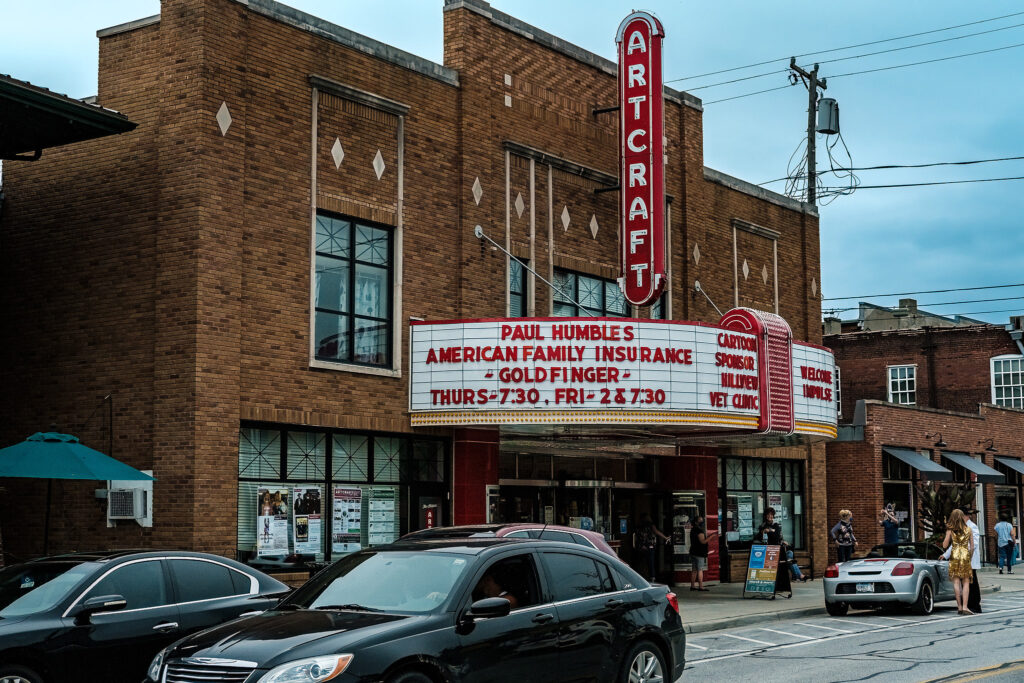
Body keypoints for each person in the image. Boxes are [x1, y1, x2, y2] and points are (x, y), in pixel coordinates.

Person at [942, 509, 975, 615]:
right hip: (965, 554)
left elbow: (944, 545)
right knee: (966, 582)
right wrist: (969, 556)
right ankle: (965, 607)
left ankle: (959, 607)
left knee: (956, 582)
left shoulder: (950, 530)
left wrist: (948, 534)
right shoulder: (969, 529)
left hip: (955, 554)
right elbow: (972, 547)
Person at [633, 514, 670, 581]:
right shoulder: (650, 525)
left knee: (639, 562)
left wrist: (640, 545)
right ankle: (652, 576)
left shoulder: (639, 525)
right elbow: (656, 532)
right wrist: (665, 537)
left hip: (641, 546)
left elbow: (637, 536)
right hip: (649, 545)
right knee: (651, 562)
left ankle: (636, 575)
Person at [689, 514, 717, 592]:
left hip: (693, 551)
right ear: (696, 522)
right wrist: (712, 536)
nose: (702, 522)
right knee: (700, 569)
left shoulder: (693, 530)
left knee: (694, 569)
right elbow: (703, 541)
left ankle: (692, 586)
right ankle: (701, 586)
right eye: (700, 521)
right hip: (699, 552)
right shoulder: (699, 531)